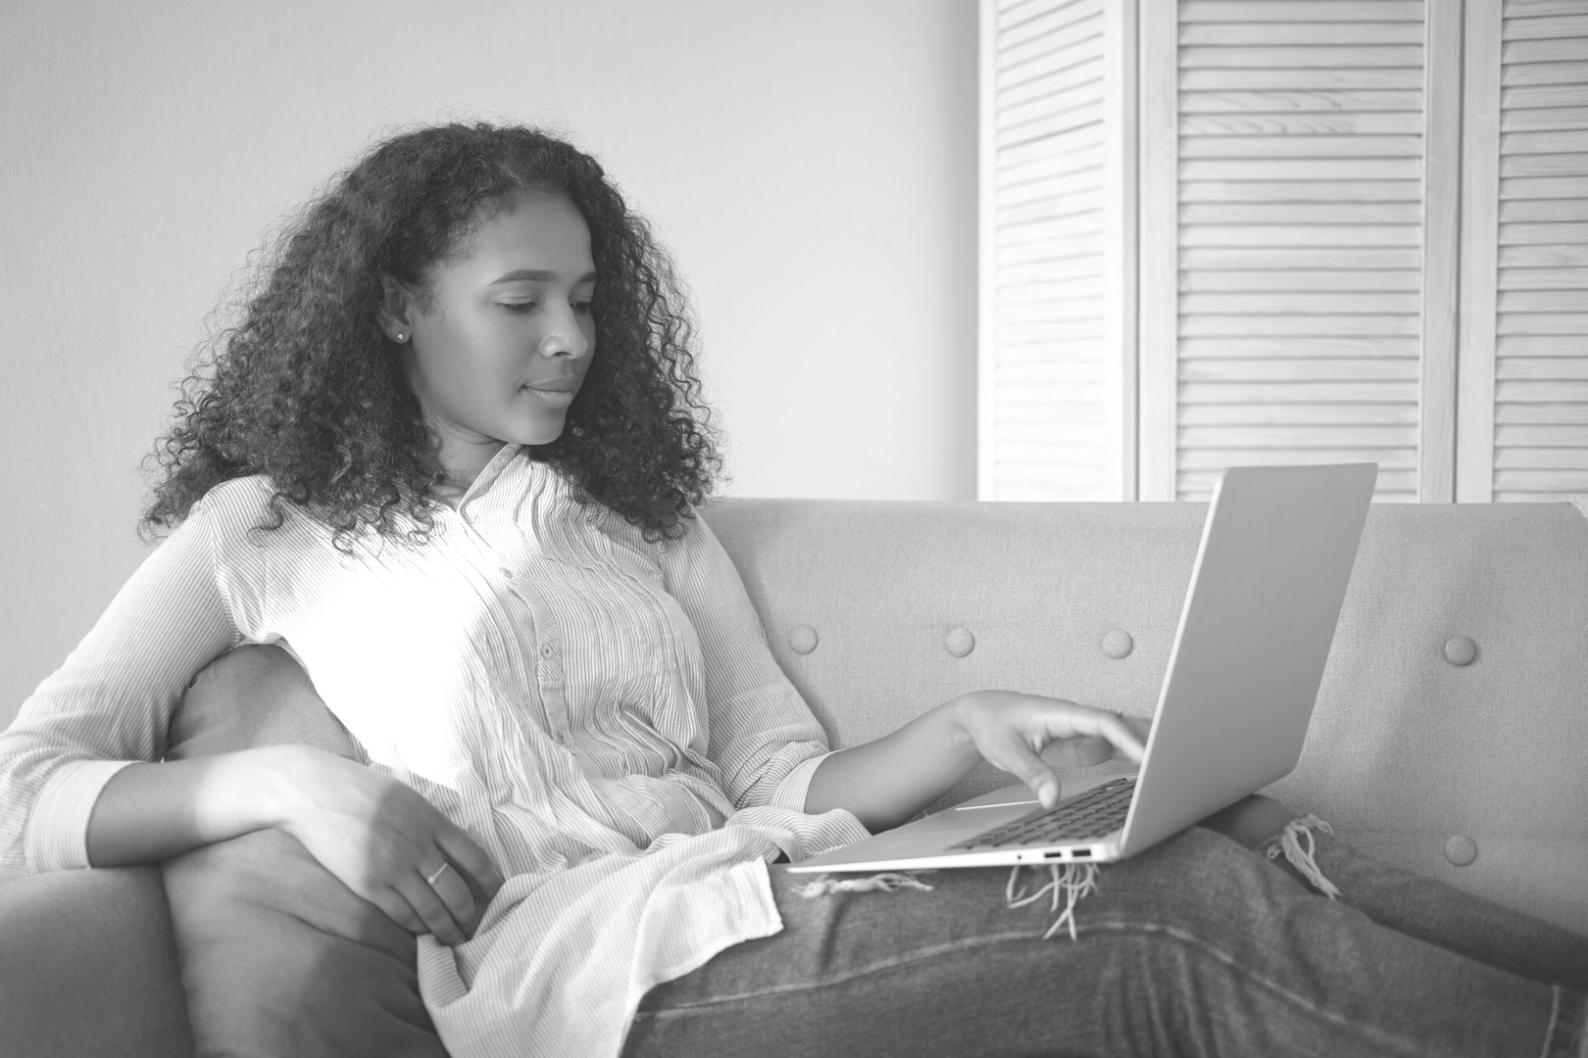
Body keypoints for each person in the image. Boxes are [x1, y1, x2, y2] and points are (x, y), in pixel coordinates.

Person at [1, 122, 1584, 1058]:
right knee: (1151, 923)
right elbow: (29, 785)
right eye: (522, 300)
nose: (572, 340)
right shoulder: (266, 529)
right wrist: (283, 784)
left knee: (1215, 822)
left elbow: (780, 776)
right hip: (592, 975)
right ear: (397, 307)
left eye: (588, 300)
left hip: (759, 881)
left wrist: (959, 727)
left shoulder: (638, 514)